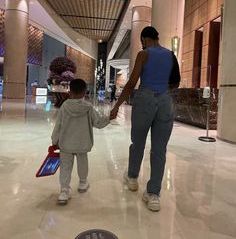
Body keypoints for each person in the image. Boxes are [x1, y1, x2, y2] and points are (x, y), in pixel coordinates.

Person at [110, 26, 180, 212]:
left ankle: (133, 178)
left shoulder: (144, 54)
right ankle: (154, 195)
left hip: (145, 100)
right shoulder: (171, 55)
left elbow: (132, 83)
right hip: (165, 102)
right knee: (159, 150)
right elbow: (176, 82)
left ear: (144, 39)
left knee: (138, 142)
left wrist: (116, 106)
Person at [51, 78, 111, 204]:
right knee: (83, 163)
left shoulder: (64, 106)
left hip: (66, 143)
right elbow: (98, 123)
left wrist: (54, 140)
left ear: (70, 91)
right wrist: (109, 118)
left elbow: (58, 125)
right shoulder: (88, 108)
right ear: (85, 92)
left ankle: (64, 191)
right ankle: (83, 183)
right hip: (82, 143)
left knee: (65, 167)